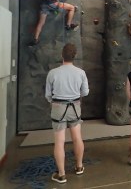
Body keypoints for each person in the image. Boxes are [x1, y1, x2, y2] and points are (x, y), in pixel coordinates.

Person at [45, 43, 89, 184]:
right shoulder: (80, 72)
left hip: (58, 107)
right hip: (75, 107)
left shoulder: (53, 73)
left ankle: (62, 175)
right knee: (77, 138)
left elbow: (47, 95)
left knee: (59, 142)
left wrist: (55, 101)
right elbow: (85, 92)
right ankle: (79, 166)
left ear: (61, 55)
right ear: (74, 56)